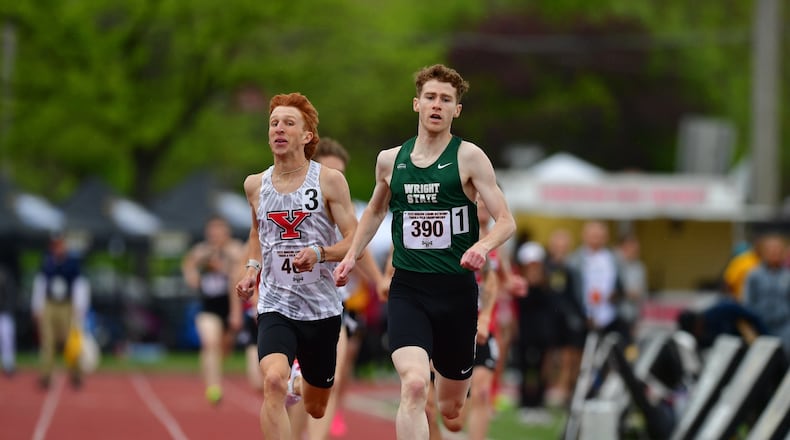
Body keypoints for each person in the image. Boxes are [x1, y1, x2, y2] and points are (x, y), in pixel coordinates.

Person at [334, 64, 517, 440]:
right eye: (430, 98)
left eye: (446, 100)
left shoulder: (469, 157)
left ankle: (450, 400)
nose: (437, 105)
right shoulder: (390, 160)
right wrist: (352, 254)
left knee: (451, 412)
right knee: (415, 385)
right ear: (416, 104)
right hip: (409, 290)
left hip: (457, 294)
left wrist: (482, 246)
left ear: (456, 110)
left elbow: (506, 221)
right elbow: (374, 210)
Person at [235, 92, 359, 439]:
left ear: (307, 136)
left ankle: (303, 382)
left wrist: (320, 254)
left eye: (289, 123)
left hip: (321, 309)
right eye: (274, 123)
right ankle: (289, 378)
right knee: (272, 382)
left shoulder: (329, 180)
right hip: (276, 304)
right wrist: (250, 270)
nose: (279, 129)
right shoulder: (255, 185)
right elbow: (257, 234)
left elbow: (355, 240)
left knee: (316, 407)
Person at [289, 137, 386, 440]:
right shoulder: (290, 201)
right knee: (289, 386)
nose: (335, 180)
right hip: (291, 307)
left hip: (332, 308)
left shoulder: (343, 211)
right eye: (330, 172)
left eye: (340, 174)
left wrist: (379, 281)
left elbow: (359, 247)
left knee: (329, 378)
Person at [181, 216, 245, 404]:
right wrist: (192, 277)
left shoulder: (235, 249)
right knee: (210, 343)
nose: (215, 235)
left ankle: (213, 372)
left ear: (227, 232)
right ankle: (213, 387)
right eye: (212, 231)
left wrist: (224, 263)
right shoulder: (202, 250)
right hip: (209, 306)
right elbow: (188, 263)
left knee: (224, 350)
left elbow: (242, 265)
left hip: (230, 305)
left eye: (219, 231)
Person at [31, 235, 90, 389]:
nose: (57, 248)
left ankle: (76, 374)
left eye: (59, 245)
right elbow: (41, 284)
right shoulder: (47, 261)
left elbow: (79, 286)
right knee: (48, 342)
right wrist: (37, 307)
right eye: (54, 245)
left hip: (66, 305)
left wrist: (80, 307)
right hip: (50, 304)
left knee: (69, 341)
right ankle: (46, 376)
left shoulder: (72, 263)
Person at [742, 233, 790, 358]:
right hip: (761, 326)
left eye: (778, 249)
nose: (775, 253)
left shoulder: (787, 276)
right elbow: (747, 303)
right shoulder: (754, 276)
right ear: (763, 252)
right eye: (771, 250)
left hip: (784, 327)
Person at [0, 260, 17, 376]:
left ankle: (9, 365)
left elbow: (10, 295)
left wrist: (8, 308)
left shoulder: (4, 274)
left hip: (4, 312)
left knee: (7, 339)